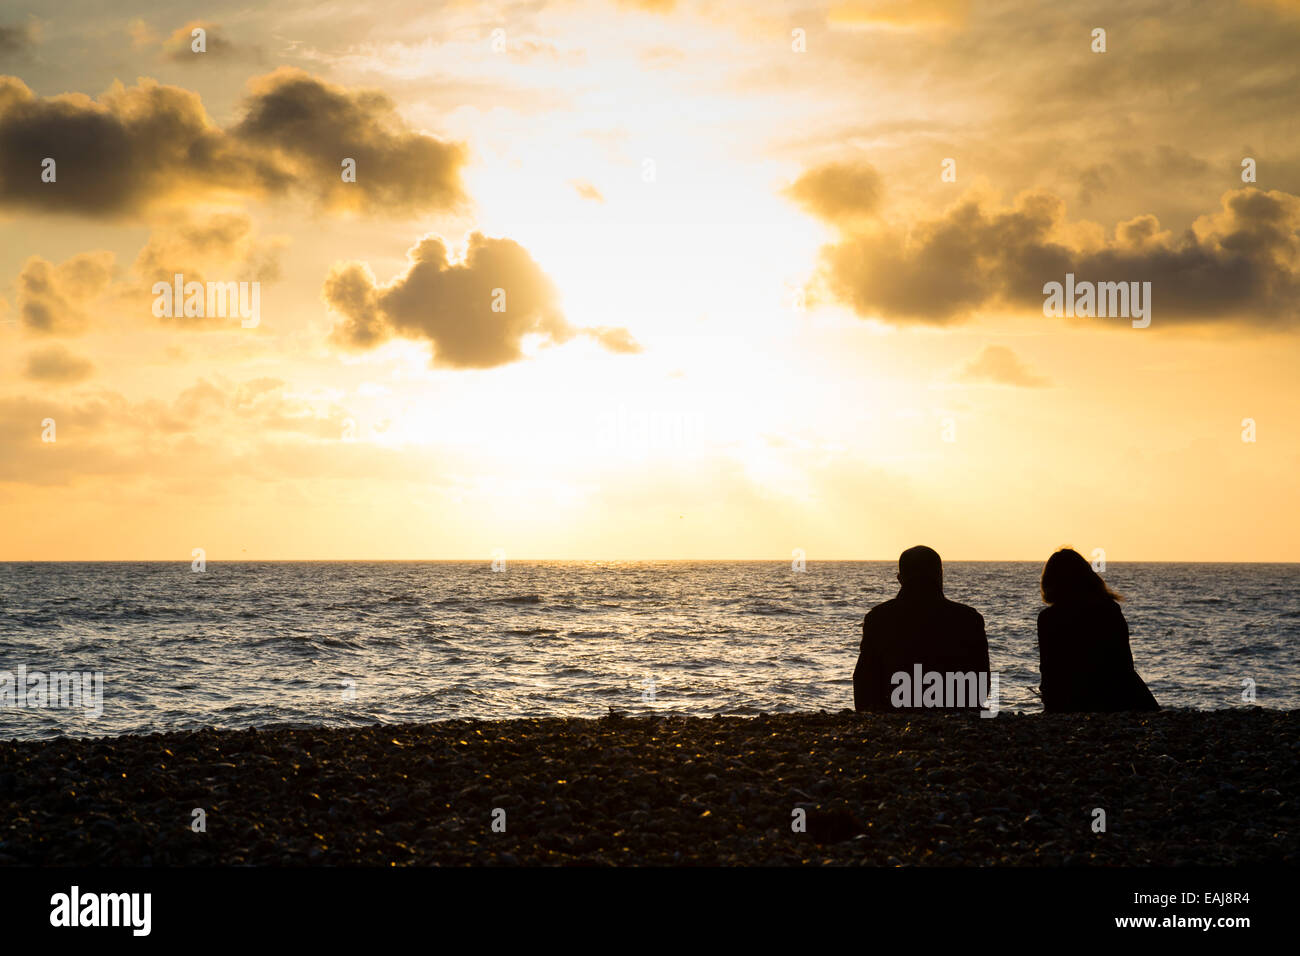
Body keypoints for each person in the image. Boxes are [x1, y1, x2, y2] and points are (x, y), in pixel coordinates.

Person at [853, 546, 991, 712]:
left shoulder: (878, 618)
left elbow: (864, 680)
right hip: (956, 712)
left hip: (894, 712)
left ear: (900, 579)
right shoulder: (969, 618)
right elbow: (982, 684)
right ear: (940, 576)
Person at [1036, 547, 1158, 712]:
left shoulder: (1049, 618)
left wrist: (1051, 702)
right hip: (1120, 696)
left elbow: (1049, 669)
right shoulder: (1110, 609)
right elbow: (1125, 663)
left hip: (1073, 700)